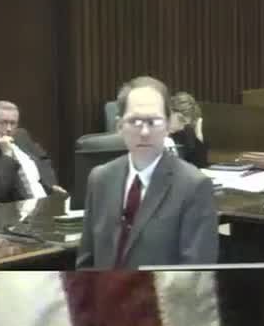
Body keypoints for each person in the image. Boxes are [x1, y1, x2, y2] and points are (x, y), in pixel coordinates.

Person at [76, 76, 219, 269]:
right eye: (135, 121)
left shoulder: (194, 186)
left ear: (168, 126)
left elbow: (197, 275)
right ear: (119, 126)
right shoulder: (100, 178)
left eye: (153, 121)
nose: (144, 132)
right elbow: (86, 264)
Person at [0, 100, 65, 203]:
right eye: (3, 123)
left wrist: (51, 185)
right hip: (16, 210)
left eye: (13, 123)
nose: (9, 129)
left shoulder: (22, 136)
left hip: (46, 203)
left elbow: (43, 159)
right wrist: (7, 155)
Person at [169, 91, 210, 169]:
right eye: (181, 120)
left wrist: (198, 133)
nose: (182, 127)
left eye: (185, 124)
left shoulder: (183, 134)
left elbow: (200, 166)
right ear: (170, 110)